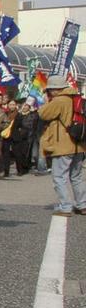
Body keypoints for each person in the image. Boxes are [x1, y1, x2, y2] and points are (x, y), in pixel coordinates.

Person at [37, 75, 86, 216]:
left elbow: (43, 114)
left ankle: (65, 207)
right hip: (79, 143)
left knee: (59, 176)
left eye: (50, 90)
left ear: (55, 89)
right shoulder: (77, 98)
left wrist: (46, 102)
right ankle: (82, 204)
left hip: (63, 144)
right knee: (76, 176)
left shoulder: (59, 100)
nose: (49, 92)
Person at [11, 100, 40, 176]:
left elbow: (34, 123)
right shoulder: (18, 115)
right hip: (17, 137)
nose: (24, 107)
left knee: (25, 154)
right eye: (23, 105)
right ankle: (19, 170)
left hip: (27, 138)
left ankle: (25, 168)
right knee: (17, 154)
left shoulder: (32, 115)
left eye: (26, 106)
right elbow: (14, 127)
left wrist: (34, 111)